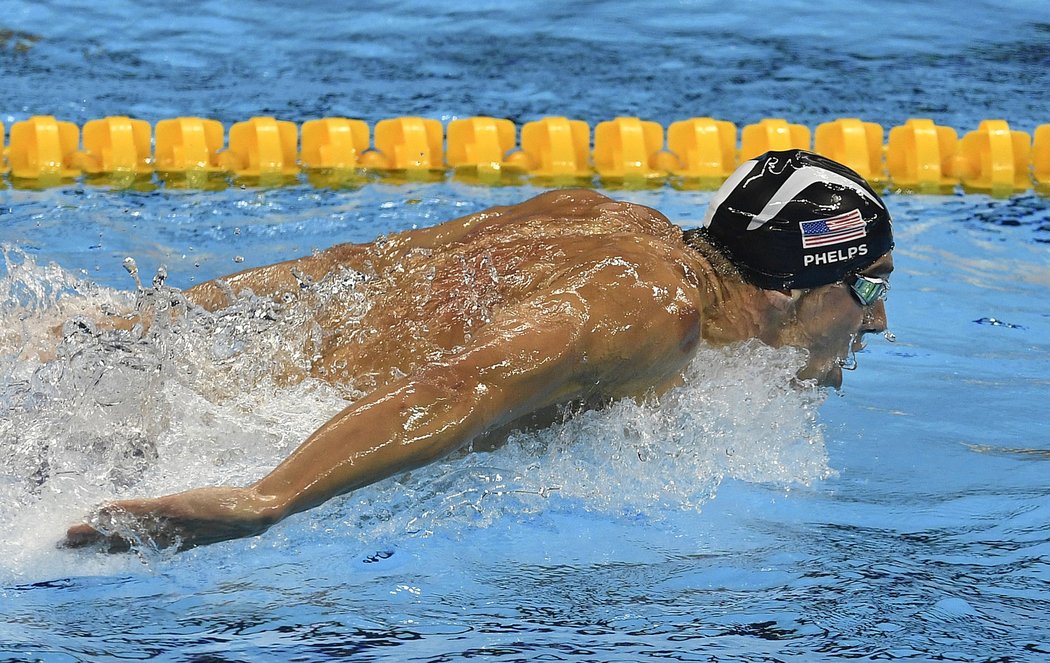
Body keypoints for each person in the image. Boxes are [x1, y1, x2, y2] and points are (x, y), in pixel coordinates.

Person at [62, 149, 894, 552]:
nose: (879, 321)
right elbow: (460, 384)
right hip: (223, 436)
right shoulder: (652, 310)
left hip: (197, 376)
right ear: (790, 285)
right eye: (867, 285)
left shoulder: (604, 215)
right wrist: (268, 495)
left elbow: (351, 267)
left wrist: (132, 325)